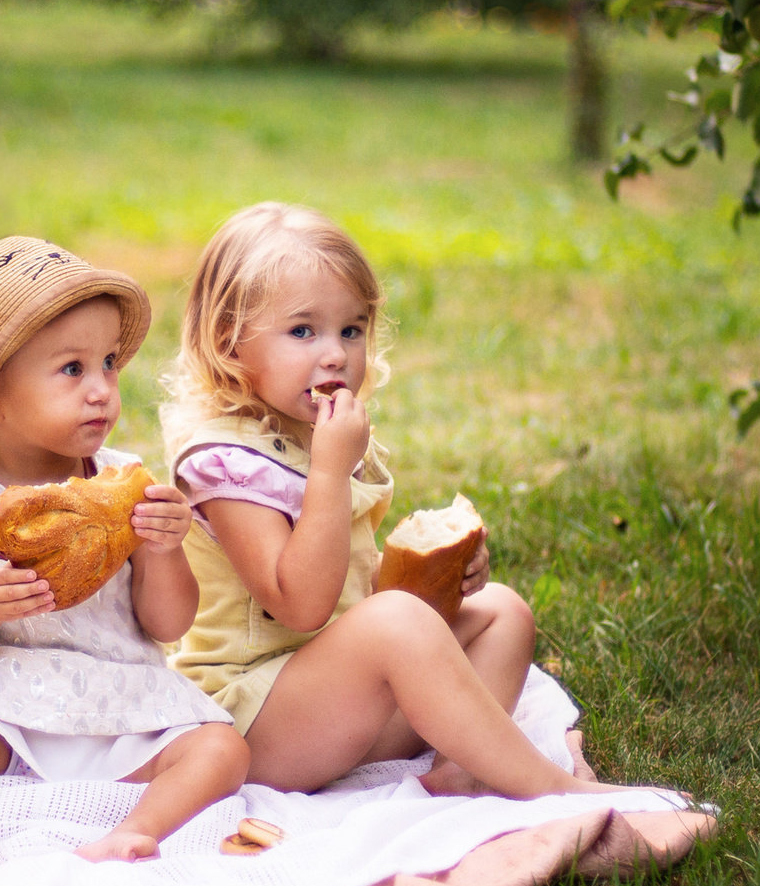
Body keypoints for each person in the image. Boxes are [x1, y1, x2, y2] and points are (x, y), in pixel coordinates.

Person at [160, 202, 625, 799]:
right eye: (302, 331)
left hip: (332, 701)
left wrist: (436, 576)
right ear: (229, 341)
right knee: (397, 625)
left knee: (504, 613)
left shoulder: (317, 439)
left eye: (350, 330)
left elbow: (352, 586)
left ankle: (466, 768)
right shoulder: (225, 464)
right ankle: (549, 789)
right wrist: (331, 470)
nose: (334, 355)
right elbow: (300, 604)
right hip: (253, 721)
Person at [0, 236, 248, 868]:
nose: (101, 389)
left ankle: (134, 831)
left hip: (122, 710)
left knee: (222, 748)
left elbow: (169, 625)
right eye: (72, 370)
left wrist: (162, 548)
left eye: (108, 364)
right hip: (1, 715)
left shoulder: (126, 481)